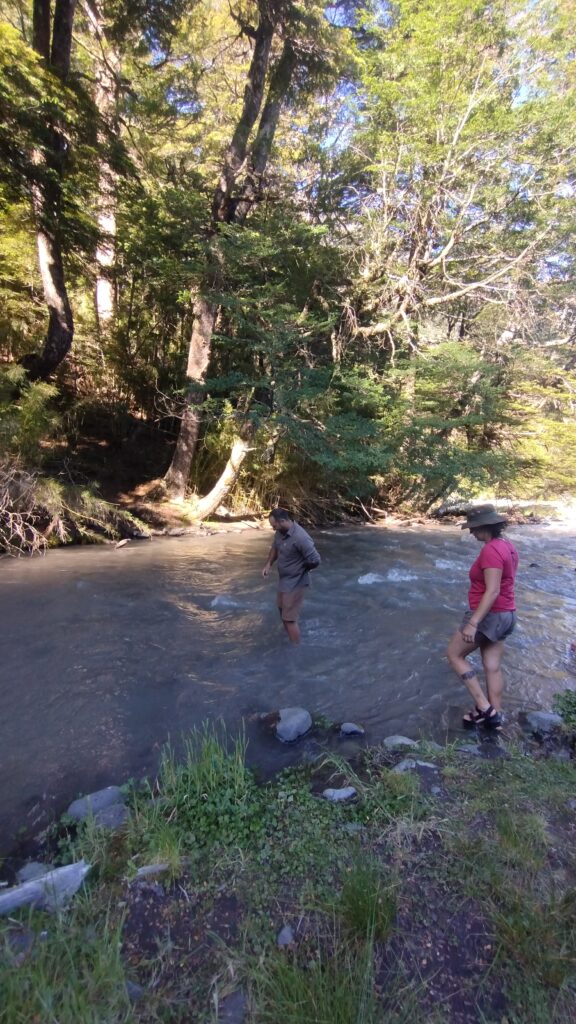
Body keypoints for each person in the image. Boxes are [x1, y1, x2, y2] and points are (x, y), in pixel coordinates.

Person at [446, 504, 519, 730]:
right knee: (492, 665)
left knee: (454, 655)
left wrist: (473, 622)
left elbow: (493, 590)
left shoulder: (491, 550)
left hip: (489, 615)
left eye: (474, 527)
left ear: (485, 526)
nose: (471, 531)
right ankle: (495, 719)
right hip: (507, 614)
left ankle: (485, 708)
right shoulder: (507, 545)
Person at [262, 508, 321, 644]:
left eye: (274, 526)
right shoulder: (280, 532)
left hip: (296, 582)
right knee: (282, 611)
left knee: (289, 619)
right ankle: (289, 639)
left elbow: (316, 559)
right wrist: (268, 564)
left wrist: (302, 569)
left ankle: (295, 649)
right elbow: (275, 547)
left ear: (283, 521)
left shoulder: (301, 537)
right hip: (284, 581)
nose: (273, 529)